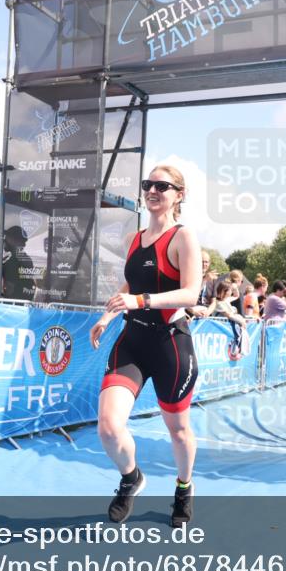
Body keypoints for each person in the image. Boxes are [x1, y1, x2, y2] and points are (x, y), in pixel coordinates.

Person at [89, 165, 202, 528]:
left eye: (162, 185)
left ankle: (184, 488)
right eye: (147, 184)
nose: (152, 190)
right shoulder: (134, 240)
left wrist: (142, 300)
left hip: (171, 344)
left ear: (178, 194)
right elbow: (129, 284)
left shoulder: (184, 237)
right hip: (133, 341)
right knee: (108, 426)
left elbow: (190, 293)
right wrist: (108, 315)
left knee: (179, 430)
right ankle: (131, 477)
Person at [211, 280, 247, 359]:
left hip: (228, 329)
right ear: (225, 291)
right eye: (230, 290)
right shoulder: (219, 303)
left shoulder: (226, 300)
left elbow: (236, 296)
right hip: (220, 330)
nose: (231, 292)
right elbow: (229, 315)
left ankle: (236, 350)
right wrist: (241, 321)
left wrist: (235, 287)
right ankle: (234, 352)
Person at [187, 249, 216, 318]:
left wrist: (208, 312)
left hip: (206, 316)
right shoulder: (189, 277)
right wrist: (193, 312)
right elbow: (183, 299)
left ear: (209, 263)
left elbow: (214, 302)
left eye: (206, 262)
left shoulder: (212, 279)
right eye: (201, 261)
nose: (204, 264)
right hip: (191, 315)